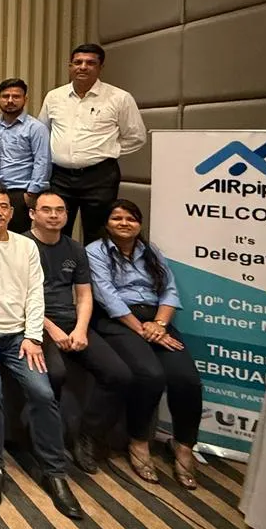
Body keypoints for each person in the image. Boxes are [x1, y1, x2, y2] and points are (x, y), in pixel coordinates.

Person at [0, 184, 83, 519]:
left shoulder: (26, 246)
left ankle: (54, 472)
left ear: (12, 212)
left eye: (3, 207)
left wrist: (33, 336)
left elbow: (35, 294)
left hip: (20, 337)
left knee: (42, 391)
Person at [86, 199, 203, 489]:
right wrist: (144, 330)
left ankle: (183, 445)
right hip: (118, 321)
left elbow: (169, 291)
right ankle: (138, 441)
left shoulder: (151, 252)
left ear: (139, 224)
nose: (124, 223)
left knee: (187, 380)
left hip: (156, 321)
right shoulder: (95, 251)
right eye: (117, 218)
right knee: (150, 375)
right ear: (107, 223)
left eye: (131, 218)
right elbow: (107, 296)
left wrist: (159, 326)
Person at [27, 190, 133, 474]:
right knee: (55, 373)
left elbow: (84, 296)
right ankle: (46, 442)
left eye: (59, 210)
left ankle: (86, 434)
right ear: (32, 214)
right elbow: (18, 298)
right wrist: (51, 329)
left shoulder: (75, 249)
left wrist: (81, 329)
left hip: (73, 323)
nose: (53, 215)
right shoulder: (22, 246)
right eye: (46, 210)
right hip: (36, 322)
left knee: (119, 375)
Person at [39, 43, 147, 243]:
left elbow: (136, 136)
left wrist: (108, 150)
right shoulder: (54, 97)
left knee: (97, 233)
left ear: (100, 67)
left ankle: (94, 265)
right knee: (55, 229)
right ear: (70, 66)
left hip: (100, 177)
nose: (83, 67)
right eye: (78, 62)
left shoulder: (119, 98)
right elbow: (43, 132)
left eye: (90, 63)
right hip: (60, 177)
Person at [0, 78, 50, 234]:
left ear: (25, 99)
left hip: (20, 192)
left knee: (17, 239)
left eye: (16, 96)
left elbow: (42, 161)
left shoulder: (36, 128)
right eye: (5, 96)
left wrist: (31, 194)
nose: (10, 100)